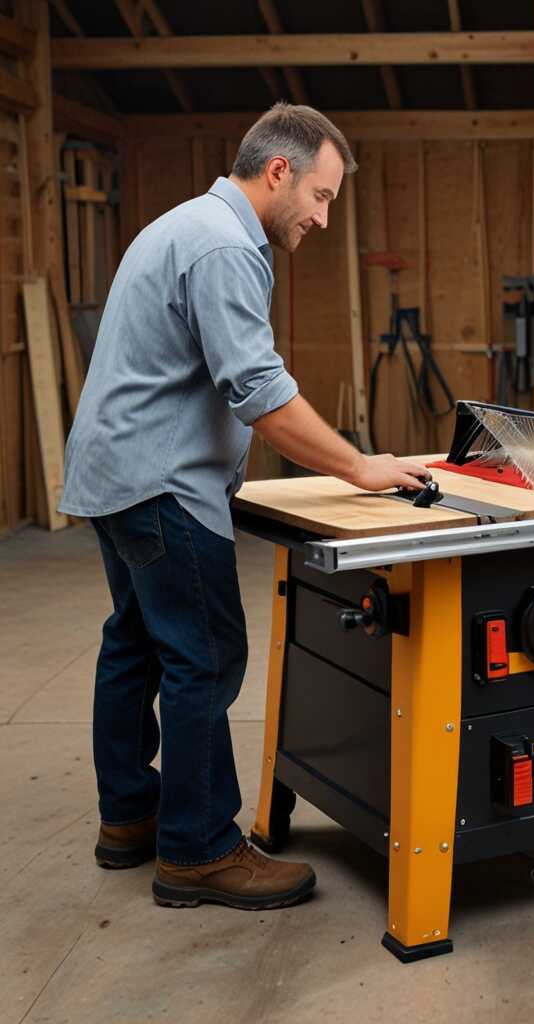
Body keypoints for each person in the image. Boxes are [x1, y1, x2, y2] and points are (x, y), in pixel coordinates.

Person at [59, 102, 430, 911]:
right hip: (161, 484)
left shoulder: (184, 224)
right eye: (322, 197)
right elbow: (259, 392)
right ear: (278, 172)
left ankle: (130, 817)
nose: (323, 219)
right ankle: (198, 850)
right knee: (206, 656)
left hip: (116, 475)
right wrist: (361, 466)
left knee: (134, 644)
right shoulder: (228, 244)